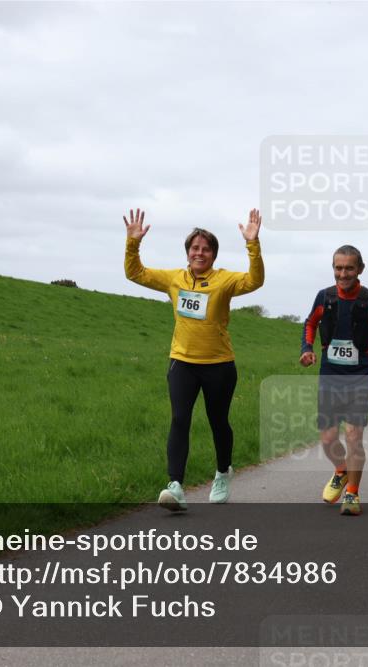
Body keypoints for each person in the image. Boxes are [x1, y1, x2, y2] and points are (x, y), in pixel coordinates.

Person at [124, 208, 263, 511]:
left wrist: (252, 244)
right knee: (179, 419)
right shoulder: (175, 279)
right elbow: (135, 273)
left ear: (213, 254)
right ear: (187, 252)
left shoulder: (224, 280)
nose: (200, 253)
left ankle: (223, 472)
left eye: (206, 249)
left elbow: (255, 281)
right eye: (195, 248)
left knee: (218, 422)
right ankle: (175, 486)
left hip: (219, 364)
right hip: (182, 362)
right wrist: (133, 243)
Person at [300, 245, 368, 517]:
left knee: (354, 436)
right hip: (330, 375)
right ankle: (341, 470)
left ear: (360, 269)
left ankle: (352, 493)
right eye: (338, 268)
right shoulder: (325, 297)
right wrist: (307, 348)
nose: (343, 274)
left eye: (349, 268)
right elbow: (310, 323)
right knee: (328, 438)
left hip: (360, 376)